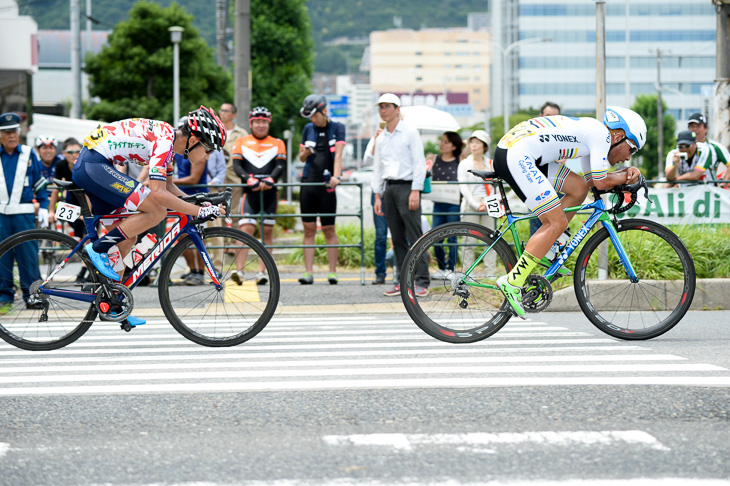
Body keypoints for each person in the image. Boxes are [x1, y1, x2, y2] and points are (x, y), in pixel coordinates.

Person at [71, 106, 226, 327]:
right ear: (194, 139)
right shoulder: (165, 142)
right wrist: (199, 211)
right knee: (157, 210)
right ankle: (97, 250)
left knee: (127, 238)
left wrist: (200, 202)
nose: (207, 156)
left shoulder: (170, 145)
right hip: (94, 165)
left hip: (96, 165)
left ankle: (114, 302)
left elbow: (170, 188)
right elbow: (159, 193)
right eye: (208, 150)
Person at [493, 106, 646, 317]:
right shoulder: (601, 135)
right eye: (632, 149)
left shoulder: (594, 134)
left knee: (578, 188)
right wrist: (629, 176)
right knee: (555, 223)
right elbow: (602, 182)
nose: (628, 158)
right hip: (518, 155)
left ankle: (550, 250)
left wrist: (622, 175)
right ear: (619, 136)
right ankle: (513, 282)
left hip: (521, 152)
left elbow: (591, 181)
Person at [371, 93, 430, 297]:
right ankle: (403, 280)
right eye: (381, 107)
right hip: (389, 189)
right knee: (396, 238)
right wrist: (377, 195)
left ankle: (422, 280)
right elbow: (378, 168)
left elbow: (418, 163)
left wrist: (416, 189)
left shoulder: (410, 132)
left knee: (415, 235)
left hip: (407, 187)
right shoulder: (380, 137)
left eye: (387, 106)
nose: (383, 110)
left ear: (397, 109)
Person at [231, 106, 286, 285]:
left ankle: (262, 272)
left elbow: (280, 166)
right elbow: (237, 166)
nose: (260, 125)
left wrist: (270, 179)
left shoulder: (278, 142)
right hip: (249, 192)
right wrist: (249, 180)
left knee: (267, 232)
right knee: (245, 230)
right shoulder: (241, 141)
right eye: (257, 122)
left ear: (268, 124)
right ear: (251, 123)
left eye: (264, 122)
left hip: (270, 193)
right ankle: (239, 271)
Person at [0, 112, 49, 313]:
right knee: (2, 257)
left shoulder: (29, 153)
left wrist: (45, 206)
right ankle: (4, 297)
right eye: (7, 132)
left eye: (15, 132)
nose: (12, 136)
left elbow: (39, 183)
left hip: (24, 214)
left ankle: (33, 295)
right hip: (0, 215)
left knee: (28, 256)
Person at [297, 94, 345, 285]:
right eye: (310, 116)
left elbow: (339, 154)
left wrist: (336, 176)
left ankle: (332, 272)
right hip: (308, 182)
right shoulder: (308, 128)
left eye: (315, 115)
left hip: (327, 184)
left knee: (329, 229)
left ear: (324, 111)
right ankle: (308, 272)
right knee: (308, 230)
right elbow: (301, 158)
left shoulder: (337, 127)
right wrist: (307, 150)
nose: (313, 119)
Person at [457, 130, 496, 269]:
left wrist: (486, 202)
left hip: (488, 204)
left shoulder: (491, 163)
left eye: (477, 142)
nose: (473, 145)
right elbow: (463, 187)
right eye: (472, 142)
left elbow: (494, 186)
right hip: (470, 203)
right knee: (468, 241)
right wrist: (475, 204)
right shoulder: (464, 164)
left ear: (484, 146)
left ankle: (490, 273)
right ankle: (467, 273)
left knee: (490, 240)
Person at [429, 131, 464, 279]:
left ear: (454, 146)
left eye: (446, 142)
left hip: (453, 204)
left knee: (452, 237)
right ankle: (441, 268)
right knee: (436, 237)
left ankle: (451, 268)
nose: (441, 144)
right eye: (442, 141)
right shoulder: (434, 159)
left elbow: (467, 146)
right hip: (437, 203)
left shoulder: (459, 159)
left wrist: (464, 142)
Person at [529, 101, 562, 236]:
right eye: (547, 115)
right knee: (537, 225)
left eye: (555, 116)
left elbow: (562, 159)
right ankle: (533, 256)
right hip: (536, 185)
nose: (550, 119)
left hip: (556, 185)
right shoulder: (532, 134)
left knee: (558, 226)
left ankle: (554, 257)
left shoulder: (562, 135)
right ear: (540, 116)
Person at [219, 103, 249, 231]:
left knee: (235, 211)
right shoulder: (215, 131)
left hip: (235, 176)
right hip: (218, 177)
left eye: (226, 111)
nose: (223, 113)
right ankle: (223, 243)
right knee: (218, 211)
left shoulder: (241, 133)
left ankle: (234, 244)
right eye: (221, 110)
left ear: (234, 115)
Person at [364, 135, 389, 285]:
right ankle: (380, 273)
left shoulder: (405, 135)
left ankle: (402, 273)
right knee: (380, 235)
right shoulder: (378, 137)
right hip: (379, 191)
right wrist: (375, 141)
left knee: (401, 235)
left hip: (398, 191)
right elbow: (367, 161)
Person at [686, 112, 730, 184]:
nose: (695, 129)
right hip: (688, 192)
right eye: (692, 126)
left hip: (709, 191)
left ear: (705, 128)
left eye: (698, 126)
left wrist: (723, 184)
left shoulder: (715, 147)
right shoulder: (683, 147)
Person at [34, 135, 64, 205]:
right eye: (44, 148)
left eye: (51, 148)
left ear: (55, 150)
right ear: (38, 150)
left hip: (60, 202)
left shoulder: (62, 164)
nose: (48, 151)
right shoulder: (35, 166)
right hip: (41, 201)